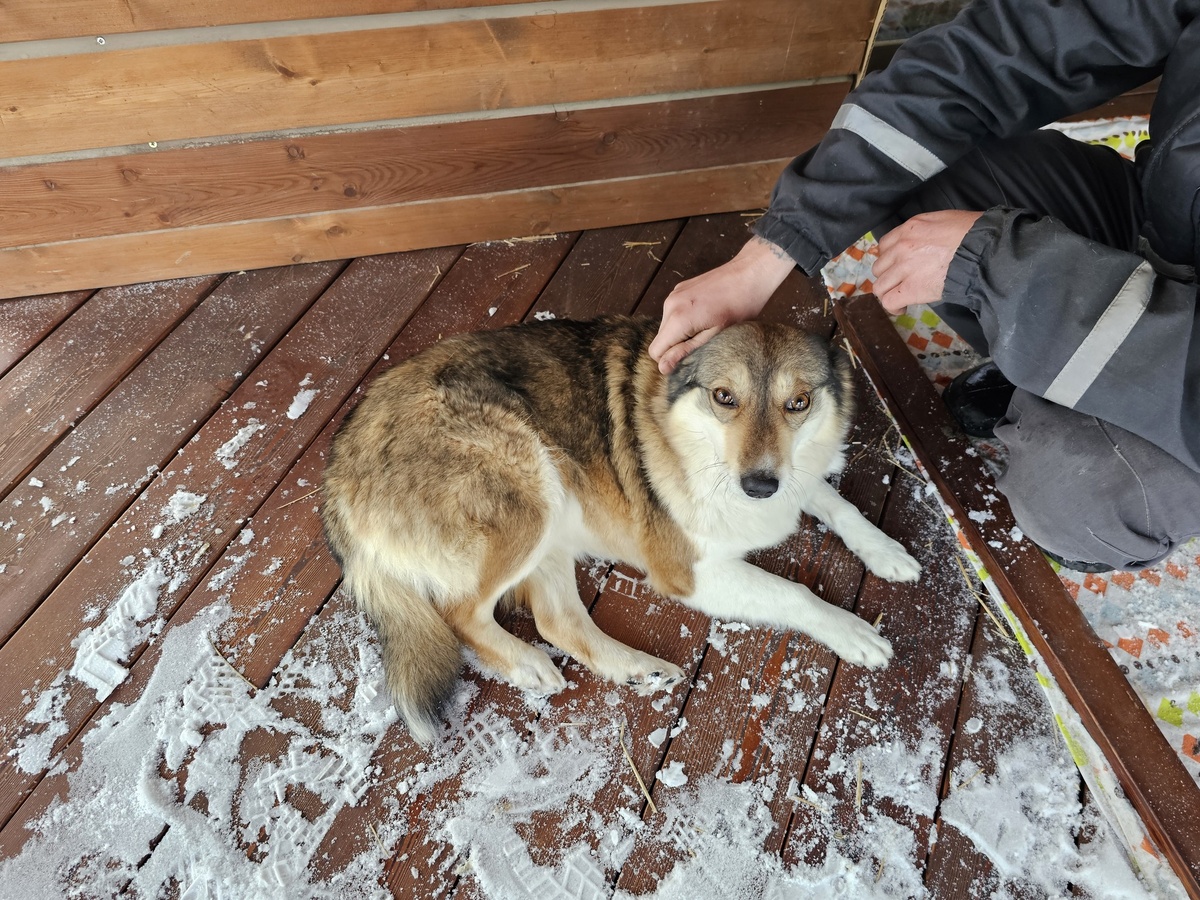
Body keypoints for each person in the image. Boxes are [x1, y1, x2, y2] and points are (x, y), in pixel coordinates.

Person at [648, 0, 1200, 574]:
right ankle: (1055, 366)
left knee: (1074, 497)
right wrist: (769, 253)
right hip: (1169, 225)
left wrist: (993, 263)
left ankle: (1091, 482)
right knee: (920, 172)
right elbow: (1003, 47)